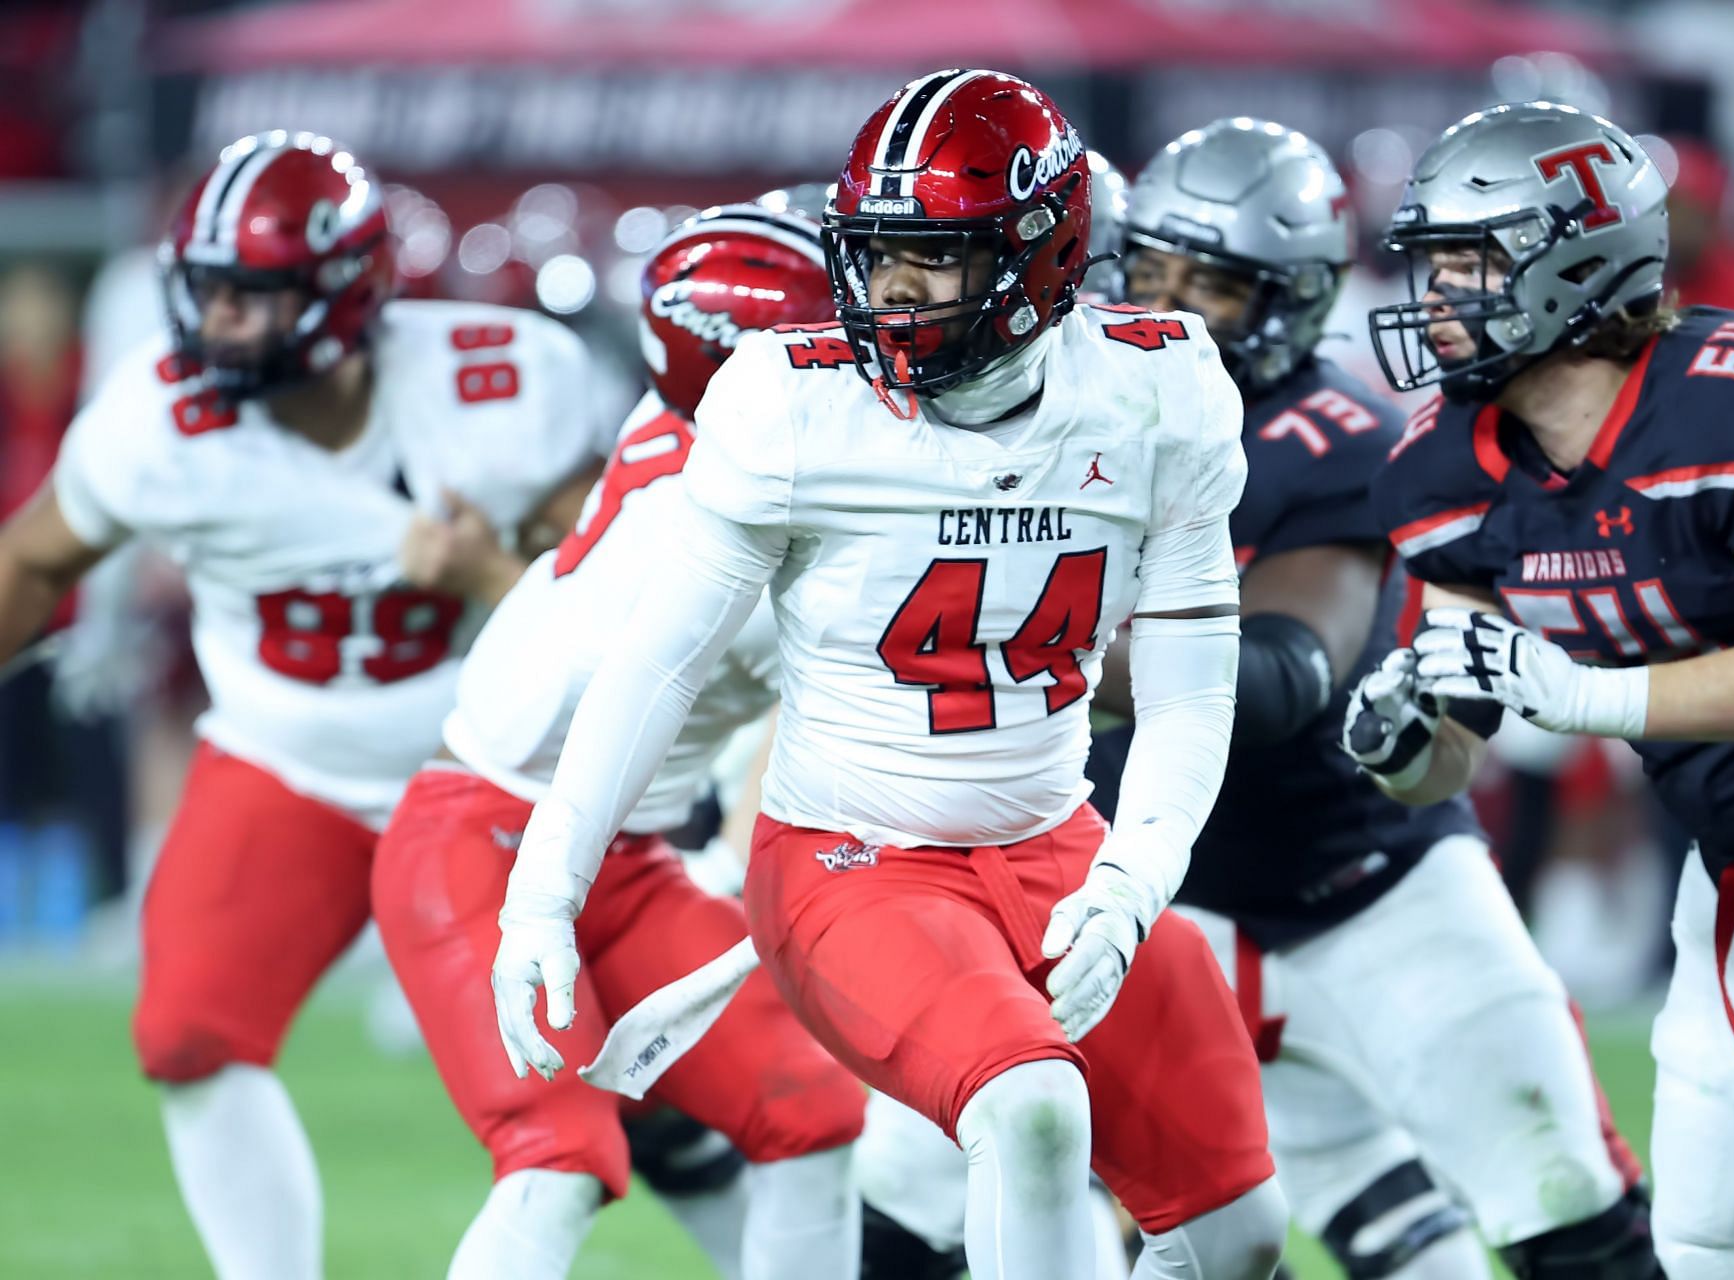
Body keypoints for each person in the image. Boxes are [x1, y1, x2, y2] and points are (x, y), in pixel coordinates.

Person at [490, 69, 1290, 1280]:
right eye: (874, 254)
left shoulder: (1158, 389)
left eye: (933, 257)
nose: (890, 292)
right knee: (1029, 1107)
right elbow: (660, 658)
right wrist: (544, 890)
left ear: (1041, 258)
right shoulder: (794, 401)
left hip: (1054, 845)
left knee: (1239, 1235)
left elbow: (1188, 684)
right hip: (848, 859)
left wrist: (1130, 881)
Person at [0, 131, 609, 1280]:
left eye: (251, 297)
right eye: (208, 292)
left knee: (632, 1097)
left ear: (343, 295)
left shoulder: (506, 380)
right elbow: (33, 560)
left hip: (488, 766)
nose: (216, 324)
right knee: (188, 1028)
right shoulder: (157, 424)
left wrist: (500, 571)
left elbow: (627, 578)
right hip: (288, 758)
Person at [1082, 116, 1662, 1280]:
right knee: (1125, 1227)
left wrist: (1027, 659)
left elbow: (1285, 670)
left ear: (1292, 301)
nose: (1175, 305)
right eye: (1153, 269)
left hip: (1367, 889)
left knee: (1575, 1221)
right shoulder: (1060, 417)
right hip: (1154, 904)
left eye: (1218, 283)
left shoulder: (1329, 439)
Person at [1355, 99, 1734, 1280]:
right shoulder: (1440, 468)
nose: (1438, 295)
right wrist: (1403, 741)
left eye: (1471, 261)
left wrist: (1594, 697)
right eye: (1435, 262)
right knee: (1710, 1246)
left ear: (1575, 257)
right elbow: (1463, 721)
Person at [371, 205, 868, 1280]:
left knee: (814, 1107)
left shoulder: (686, 410)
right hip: (484, 845)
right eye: (834, 343)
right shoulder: (731, 531)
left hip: (620, 856)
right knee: (557, 1155)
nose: (868, 362)